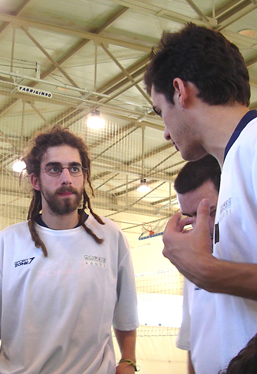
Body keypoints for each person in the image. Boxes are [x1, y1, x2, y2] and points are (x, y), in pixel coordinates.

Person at [0, 126, 139, 374]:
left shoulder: (110, 237)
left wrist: (128, 361)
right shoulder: (7, 243)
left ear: (84, 177)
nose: (66, 178)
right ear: (35, 180)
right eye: (55, 169)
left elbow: (126, 315)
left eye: (74, 168)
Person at [144, 22, 257, 369]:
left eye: (160, 111)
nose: (165, 132)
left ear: (180, 91)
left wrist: (206, 271)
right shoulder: (235, 164)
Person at [173, 155, 221, 374]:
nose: (201, 227)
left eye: (210, 212)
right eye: (191, 216)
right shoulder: (192, 264)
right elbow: (193, 342)